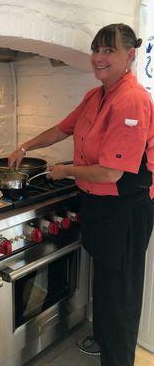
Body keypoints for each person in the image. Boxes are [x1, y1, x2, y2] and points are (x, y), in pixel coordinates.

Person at [8, 23, 154, 366]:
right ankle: (104, 341)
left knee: (122, 292)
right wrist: (24, 146)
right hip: (100, 205)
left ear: (130, 55)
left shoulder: (132, 100)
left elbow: (111, 172)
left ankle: (119, 360)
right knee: (104, 280)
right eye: (95, 50)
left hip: (126, 209)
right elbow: (61, 129)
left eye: (108, 51)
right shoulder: (95, 95)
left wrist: (66, 170)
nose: (98, 58)